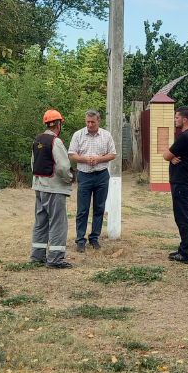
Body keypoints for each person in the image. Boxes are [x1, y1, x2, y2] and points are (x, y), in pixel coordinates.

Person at [67, 109, 117, 252]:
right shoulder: (78, 134)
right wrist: (85, 159)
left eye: (92, 122)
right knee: (82, 209)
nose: (89, 124)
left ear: (98, 121)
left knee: (99, 208)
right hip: (84, 175)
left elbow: (113, 154)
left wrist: (98, 159)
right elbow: (71, 154)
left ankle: (94, 238)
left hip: (101, 175)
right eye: (87, 122)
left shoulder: (106, 135)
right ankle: (80, 240)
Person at [30, 109, 74, 269]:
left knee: (40, 222)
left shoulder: (37, 140)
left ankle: (37, 256)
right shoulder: (56, 141)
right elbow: (63, 166)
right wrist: (70, 178)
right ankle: (55, 259)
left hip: (39, 187)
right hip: (54, 189)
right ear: (59, 124)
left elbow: (33, 164)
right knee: (58, 223)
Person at [161, 106, 188, 263]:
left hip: (182, 182)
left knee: (183, 217)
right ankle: (183, 249)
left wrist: (170, 157)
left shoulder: (185, 136)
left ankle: (186, 254)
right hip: (183, 181)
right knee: (182, 216)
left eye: (177, 117)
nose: (174, 119)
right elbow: (171, 155)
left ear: (185, 119)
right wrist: (171, 157)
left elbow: (166, 155)